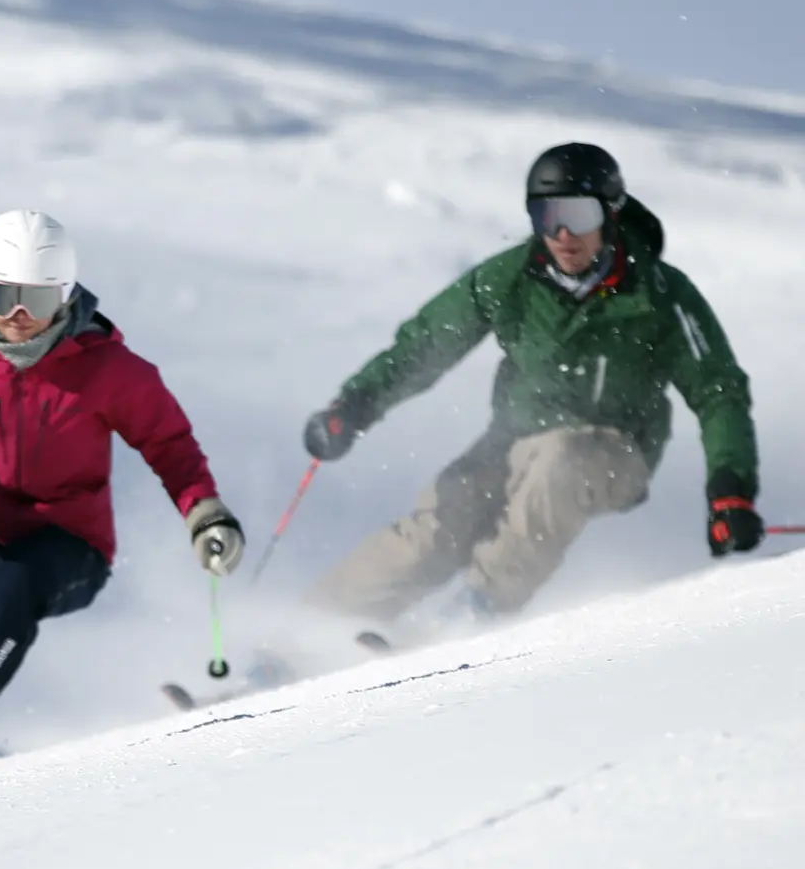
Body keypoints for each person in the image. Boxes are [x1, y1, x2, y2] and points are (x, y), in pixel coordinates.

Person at [303, 143, 762, 624]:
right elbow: (426, 344)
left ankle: (472, 613)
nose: (563, 234)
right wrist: (356, 405)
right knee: (443, 521)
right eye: (547, 216)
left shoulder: (660, 294)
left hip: (616, 449)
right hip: (517, 439)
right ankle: (315, 628)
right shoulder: (511, 279)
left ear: (611, 213)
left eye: (579, 216)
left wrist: (729, 489)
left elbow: (719, 391)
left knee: (562, 465)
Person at [0, 209, 242, 771]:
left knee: (9, 586)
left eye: (36, 300)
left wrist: (204, 512)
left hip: (70, 540)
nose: (19, 315)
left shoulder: (109, 369)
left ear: (65, 295)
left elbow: (170, 444)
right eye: (4, 296)